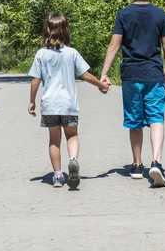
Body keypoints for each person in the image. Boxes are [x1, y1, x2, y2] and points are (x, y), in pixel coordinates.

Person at [101, 0, 165, 187]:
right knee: (156, 118)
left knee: (134, 121)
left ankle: (135, 165)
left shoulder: (123, 14)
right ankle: (156, 162)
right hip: (153, 74)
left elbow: (114, 45)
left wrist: (104, 73)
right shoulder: (160, 14)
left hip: (131, 75)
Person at [28, 13, 109, 189]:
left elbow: (35, 80)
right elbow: (85, 75)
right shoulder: (72, 53)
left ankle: (57, 176)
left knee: (54, 139)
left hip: (49, 105)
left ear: (46, 31)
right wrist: (101, 85)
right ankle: (73, 160)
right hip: (68, 104)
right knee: (72, 135)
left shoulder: (41, 54)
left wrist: (32, 101)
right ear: (65, 30)